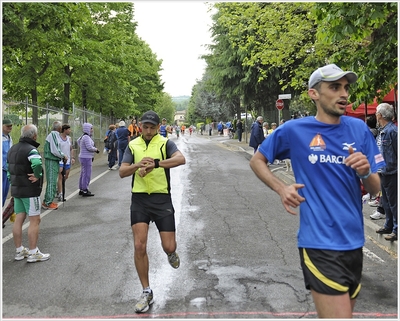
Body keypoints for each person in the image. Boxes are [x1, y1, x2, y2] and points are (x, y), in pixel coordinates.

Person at [249, 64, 384, 318]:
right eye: (334, 87)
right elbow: (257, 160)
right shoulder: (295, 130)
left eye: (345, 87)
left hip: (354, 243)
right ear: (314, 94)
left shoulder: (359, 130)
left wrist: (366, 171)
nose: (343, 94)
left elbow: (376, 188)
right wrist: (281, 187)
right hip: (319, 244)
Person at [119, 110, 186, 313]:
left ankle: (171, 252)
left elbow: (180, 159)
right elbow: (122, 171)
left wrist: (155, 164)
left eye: (152, 127)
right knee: (139, 246)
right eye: (145, 127)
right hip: (139, 200)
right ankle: (146, 291)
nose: (148, 131)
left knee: (168, 246)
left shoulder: (165, 143)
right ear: (140, 126)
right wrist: (138, 164)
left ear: (158, 127)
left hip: (161, 198)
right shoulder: (133, 145)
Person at [7, 124, 50, 262]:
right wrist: (37, 175)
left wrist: (12, 181)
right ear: (34, 135)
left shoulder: (12, 149)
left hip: (16, 189)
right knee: (35, 220)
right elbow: (37, 164)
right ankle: (33, 252)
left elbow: (9, 169)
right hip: (30, 190)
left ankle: (19, 251)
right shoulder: (31, 150)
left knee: (19, 218)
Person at [374, 103, 398, 241]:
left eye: (377, 112)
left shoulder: (392, 131)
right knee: (386, 201)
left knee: (394, 203)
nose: (375, 114)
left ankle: (396, 229)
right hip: (382, 171)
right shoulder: (382, 131)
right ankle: (388, 225)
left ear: (380, 115)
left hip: (392, 172)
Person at [42, 121, 66, 210]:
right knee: (52, 181)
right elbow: (55, 150)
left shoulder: (54, 135)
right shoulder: (53, 135)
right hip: (51, 160)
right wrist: (63, 155)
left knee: (52, 181)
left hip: (54, 160)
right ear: (59, 128)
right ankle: (47, 202)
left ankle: (49, 200)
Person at [77, 123, 99, 196]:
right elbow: (89, 147)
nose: (92, 130)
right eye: (91, 128)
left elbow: (78, 141)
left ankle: (81, 188)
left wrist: (82, 147)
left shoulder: (83, 136)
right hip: (86, 157)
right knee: (87, 174)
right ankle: (85, 190)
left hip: (83, 157)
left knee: (83, 173)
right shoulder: (86, 137)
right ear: (87, 129)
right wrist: (95, 149)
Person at [57, 124, 75, 201]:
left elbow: (71, 149)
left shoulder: (69, 139)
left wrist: (72, 157)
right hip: (60, 160)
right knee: (60, 176)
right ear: (65, 130)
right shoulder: (58, 138)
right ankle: (60, 193)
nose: (70, 131)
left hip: (67, 160)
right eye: (69, 129)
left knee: (66, 176)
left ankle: (59, 187)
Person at [2, 119, 13, 206]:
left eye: (11, 126)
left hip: (7, 168)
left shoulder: (9, 137)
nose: (10, 127)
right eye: (7, 126)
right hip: (2, 168)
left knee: (5, 191)